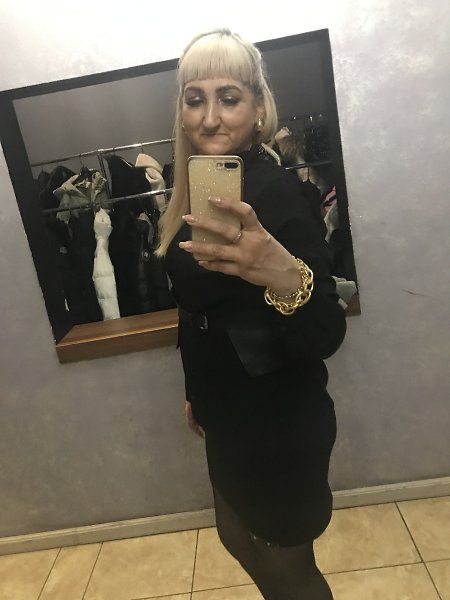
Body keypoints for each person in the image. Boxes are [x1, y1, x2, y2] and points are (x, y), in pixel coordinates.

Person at [156, 28, 346, 600]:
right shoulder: (193, 189)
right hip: (225, 411)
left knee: (290, 573)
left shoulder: (276, 194)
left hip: (278, 421)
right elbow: (198, 311)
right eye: (195, 99)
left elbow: (325, 333)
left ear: (259, 107)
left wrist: (281, 274)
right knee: (236, 536)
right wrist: (196, 390)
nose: (210, 117)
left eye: (229, 97)